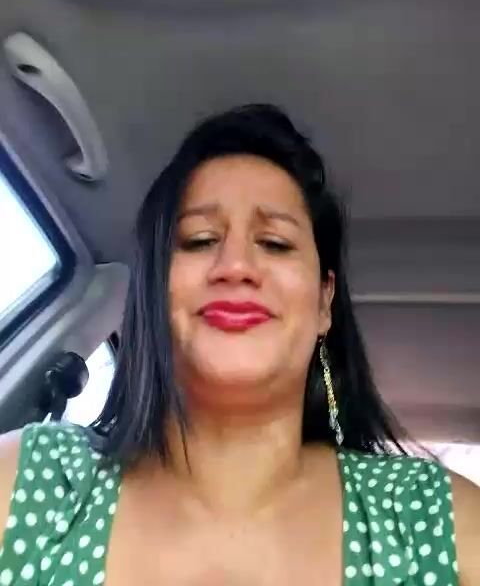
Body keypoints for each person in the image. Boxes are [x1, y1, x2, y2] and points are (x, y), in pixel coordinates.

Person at [0, 104, 478, 585]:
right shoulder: (35, 483)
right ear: (154, 291)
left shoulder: (435, 522)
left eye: (275, 243)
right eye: (199, 239)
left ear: (323, 302)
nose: (235, 265)